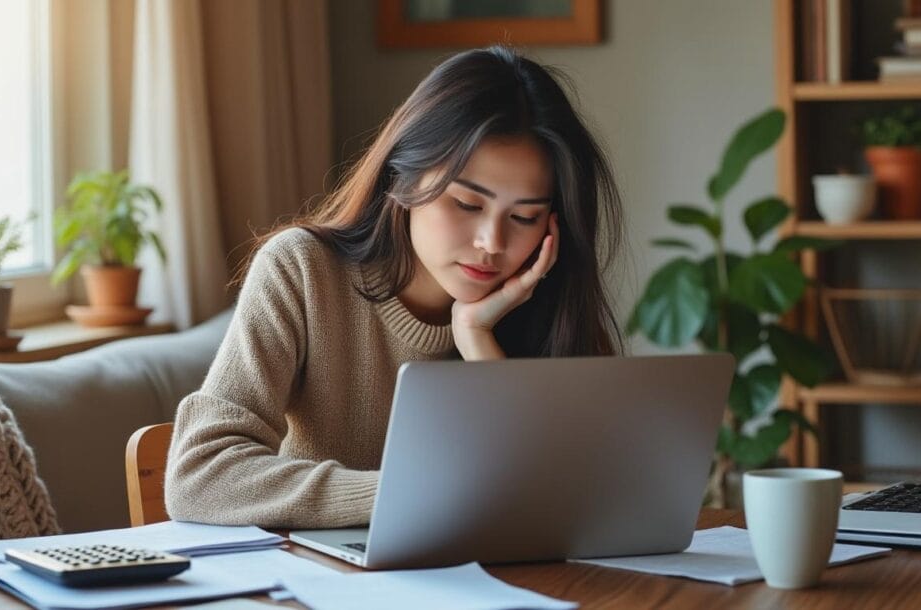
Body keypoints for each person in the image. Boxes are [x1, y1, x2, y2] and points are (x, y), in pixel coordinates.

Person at [165, 46, 623, 528]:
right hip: (326, 571)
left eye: (525, 217)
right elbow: (199, 475)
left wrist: (478, 343)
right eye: (467, 204)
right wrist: (403, 495)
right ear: (403, 180)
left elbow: (569, 495)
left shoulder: (549, 305)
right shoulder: (302, 270)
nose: (492, 243)